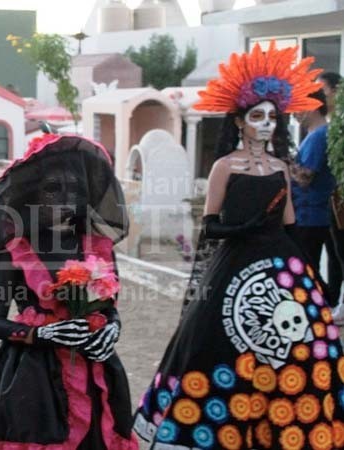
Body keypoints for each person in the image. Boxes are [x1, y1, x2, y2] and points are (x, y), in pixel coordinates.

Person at [134, 42, 344, 450]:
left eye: (272, 117)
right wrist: (240, 228)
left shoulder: (281, 167)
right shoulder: (224, 167)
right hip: (234, 263)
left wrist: (304, 271)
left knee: (308, 342)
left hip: (282, 264)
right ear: (239, 120)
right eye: (257, 116)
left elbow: (289, 223)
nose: (265, 124)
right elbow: (210, 226)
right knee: (209, 341)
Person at [0, 133, 136, 450]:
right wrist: (41, 334)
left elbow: (108, 308)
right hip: (35, 380)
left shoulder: (97, 245)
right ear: (34, 193)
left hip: (95, 369)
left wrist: (112, 328)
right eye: (54, 188)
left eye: (75, 187)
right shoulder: (14, 249)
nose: (66, 197)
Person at [291, 89, 333, 269]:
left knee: (306, 269)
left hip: (309, 215)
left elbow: (305, 178)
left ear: (313, 106)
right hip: (313, 214)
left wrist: (285, 164)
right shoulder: (318, 134)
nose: (295, 113)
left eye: (299, 107)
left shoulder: (318, 136)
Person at [320, 72, 343, 305]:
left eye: (323, 92)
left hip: (338, 195)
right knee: (335, 251)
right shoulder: (331, 124)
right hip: (332, 197)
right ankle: (335, 301)